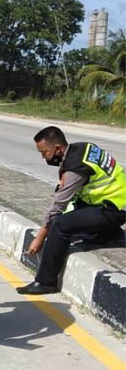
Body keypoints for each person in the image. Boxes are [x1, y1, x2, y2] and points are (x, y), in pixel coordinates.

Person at [17, 126, 126, 295]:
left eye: (45, 152)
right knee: (75, 211)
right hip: (114, 201)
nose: (43, 157)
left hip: (114, 208)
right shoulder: (81, 148)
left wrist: (39, 238)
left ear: (58, 149)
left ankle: (46, 281)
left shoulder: (75, 168)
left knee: (60, 225)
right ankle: (111, 235)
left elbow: (57, 207)